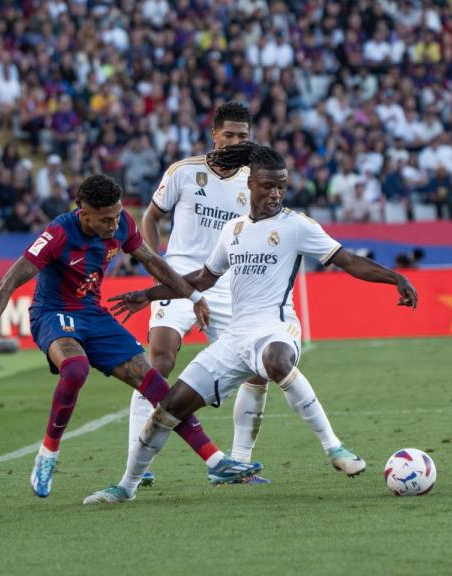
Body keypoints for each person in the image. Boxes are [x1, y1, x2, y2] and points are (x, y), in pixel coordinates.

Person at [84, 143, 418, 505]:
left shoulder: (297, 226)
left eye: (281, 186)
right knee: (168, 408)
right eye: (267, 186)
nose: (275, 193)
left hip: (276, 327)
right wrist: (148, 295)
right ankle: (126, 487)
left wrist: (394, 278)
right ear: (251, 185)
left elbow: (350, 261)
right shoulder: (233, 231)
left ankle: (334, 448)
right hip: (235, 339)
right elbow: (201, 279)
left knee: (276, 362)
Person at [0, 175, 260, 499]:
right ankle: (48, 454)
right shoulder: (58, 233)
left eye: (117, 215)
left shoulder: (121, 225)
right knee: (75, 369)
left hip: (94, 315)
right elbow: (9, 280)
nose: (113, 224)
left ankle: (215, 461)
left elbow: (153, 262)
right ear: (83, 212)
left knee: (157, 385)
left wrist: (192, 297)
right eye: (105, 219)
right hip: (53, 314)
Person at [134, 103, 338, 486]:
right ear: (214, 134)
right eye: (229, 135)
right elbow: (151, 215)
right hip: (180, 277)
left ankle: (239, 463)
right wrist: (154, 261)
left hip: (227, 285)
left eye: (243, 136)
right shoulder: (184, 171)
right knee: (159, 361)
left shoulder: (254, 179)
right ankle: (138, 459)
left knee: (256, 372)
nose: (236, 141)